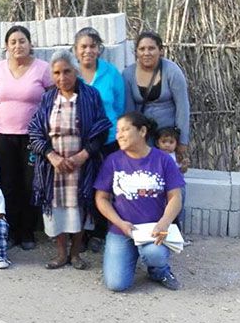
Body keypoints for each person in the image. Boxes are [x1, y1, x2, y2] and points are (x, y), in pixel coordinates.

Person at [28, 50, 111, 270]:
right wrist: (52, 156)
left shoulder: (90, 95)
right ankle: (61, 253)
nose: (62, 77)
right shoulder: (48, 98)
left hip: (81, 165)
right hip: (53, 167)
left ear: (75, 71)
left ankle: (75, 254)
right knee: (57, 211)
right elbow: (35, 131)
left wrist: (83, 156)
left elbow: (101, 129)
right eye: (56, 73)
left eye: (66, 71)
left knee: (79, 208)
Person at [94, 112, 184, 291]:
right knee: (116, 284)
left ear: (142, 131)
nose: (119, 135)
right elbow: (101, 198)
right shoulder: (113, 161)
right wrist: (120, 223)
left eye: (125, 129)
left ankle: (159, 270)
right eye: (118, 130)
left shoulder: (163, 160)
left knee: (154, 254)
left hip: (153, 230)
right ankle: (131, 254)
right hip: (122, 230)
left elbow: (175, 197)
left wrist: (164, 223)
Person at [0, 25, 53, 250]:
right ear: (6, 46)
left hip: (33, 138)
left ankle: (28, 232)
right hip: (5, 135)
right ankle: (12, 230)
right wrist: (5, 117)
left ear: (30, 43)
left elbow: (53, 101)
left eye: (22, 41)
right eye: (13, 42)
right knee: (9, 183)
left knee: (30, 183)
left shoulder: (43, 69)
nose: (17, 45)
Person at [73, 27, 125, 252]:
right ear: (75, 51)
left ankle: (101, 232)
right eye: (83, 46)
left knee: (106, 187)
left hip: (109, 141)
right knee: (82, 188)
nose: (88, 51)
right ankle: (81, 234)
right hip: (79, 142)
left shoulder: (111, 73)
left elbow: (121, 106)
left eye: (92, 46)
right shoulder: (70, 74)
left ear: (99, 49)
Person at [123, 31, 190, 163]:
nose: (146, 53)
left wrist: (182, 141)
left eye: (151, 48)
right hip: (143, 136)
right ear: (136, 52)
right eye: (142, 49)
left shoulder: (172, 71)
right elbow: (129, 112)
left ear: (160, 50)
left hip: (167, 138)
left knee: (168, 175)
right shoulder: (128, 74)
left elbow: (183, 107)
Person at [155, 126, 188, 231]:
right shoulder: (156, 156)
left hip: (173, 190)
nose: (167, 145)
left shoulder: (177, 157)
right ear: (157, 143)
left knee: (173, 213)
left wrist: (184, 166)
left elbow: (181, 171)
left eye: (171, 142)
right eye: (164, 142)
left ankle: (176, 232)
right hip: (160, 190)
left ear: (176, 144)